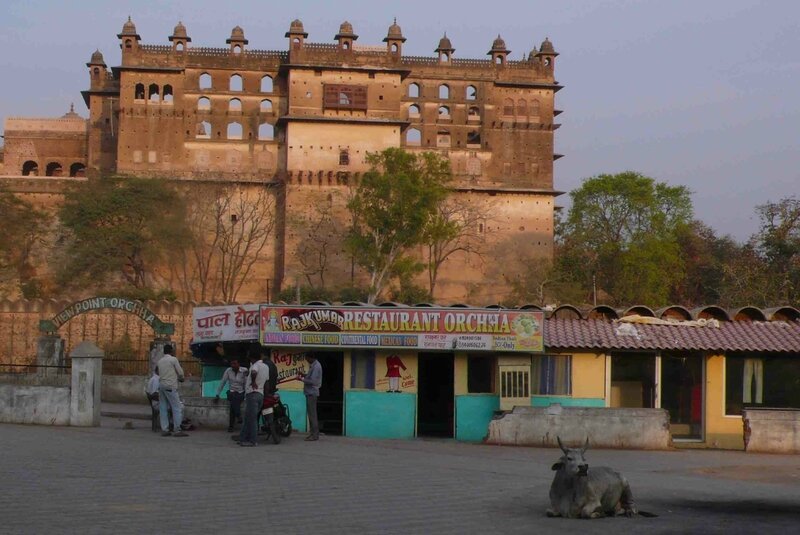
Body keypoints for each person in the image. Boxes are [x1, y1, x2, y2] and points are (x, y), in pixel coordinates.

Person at [156, 345, 188, 437]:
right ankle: (177, 430)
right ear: (171, 351)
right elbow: (180, 372)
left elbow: (158, 372)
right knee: (177, 407)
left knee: (163, 408)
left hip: (161, 385)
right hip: (170, 386)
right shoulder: (173, 359)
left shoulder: (160, 361)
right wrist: (181, 378)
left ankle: (165, 429)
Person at [237, 352, 268, 447]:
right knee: (247, 418)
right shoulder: (266, 366)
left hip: (253, 394)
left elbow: (254, 372)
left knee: (252, 419)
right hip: (260, 394)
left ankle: (253, 441)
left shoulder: (255, 365)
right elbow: (267, 382)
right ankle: (243, 438)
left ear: (251, 357)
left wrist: (253, 382)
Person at [214, 358, 247, 432]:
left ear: (239, 364)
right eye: (232, 364)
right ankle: (238, 416)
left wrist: (246, 395)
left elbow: (246, 384)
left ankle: (231, 426)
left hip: (240, 392)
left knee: (233, 404)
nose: (233, 365)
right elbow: (223, 382)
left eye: (235, 363)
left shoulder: (244, 371)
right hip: (231, 391)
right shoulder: (228, 371)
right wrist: (217, 394)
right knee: (232, 396)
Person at [298, 354, 322, 441]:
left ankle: (314, 435)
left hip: (312, 392)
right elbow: (310, 377)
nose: (307, 360)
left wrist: (302, 379)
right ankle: (313, 433)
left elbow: (313, 381)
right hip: (310, 392)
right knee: (311, 414)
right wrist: (304, 375)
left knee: (312, 415)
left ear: (311, 357)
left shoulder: (316, 366)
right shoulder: (314, 366)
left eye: (307, 358)